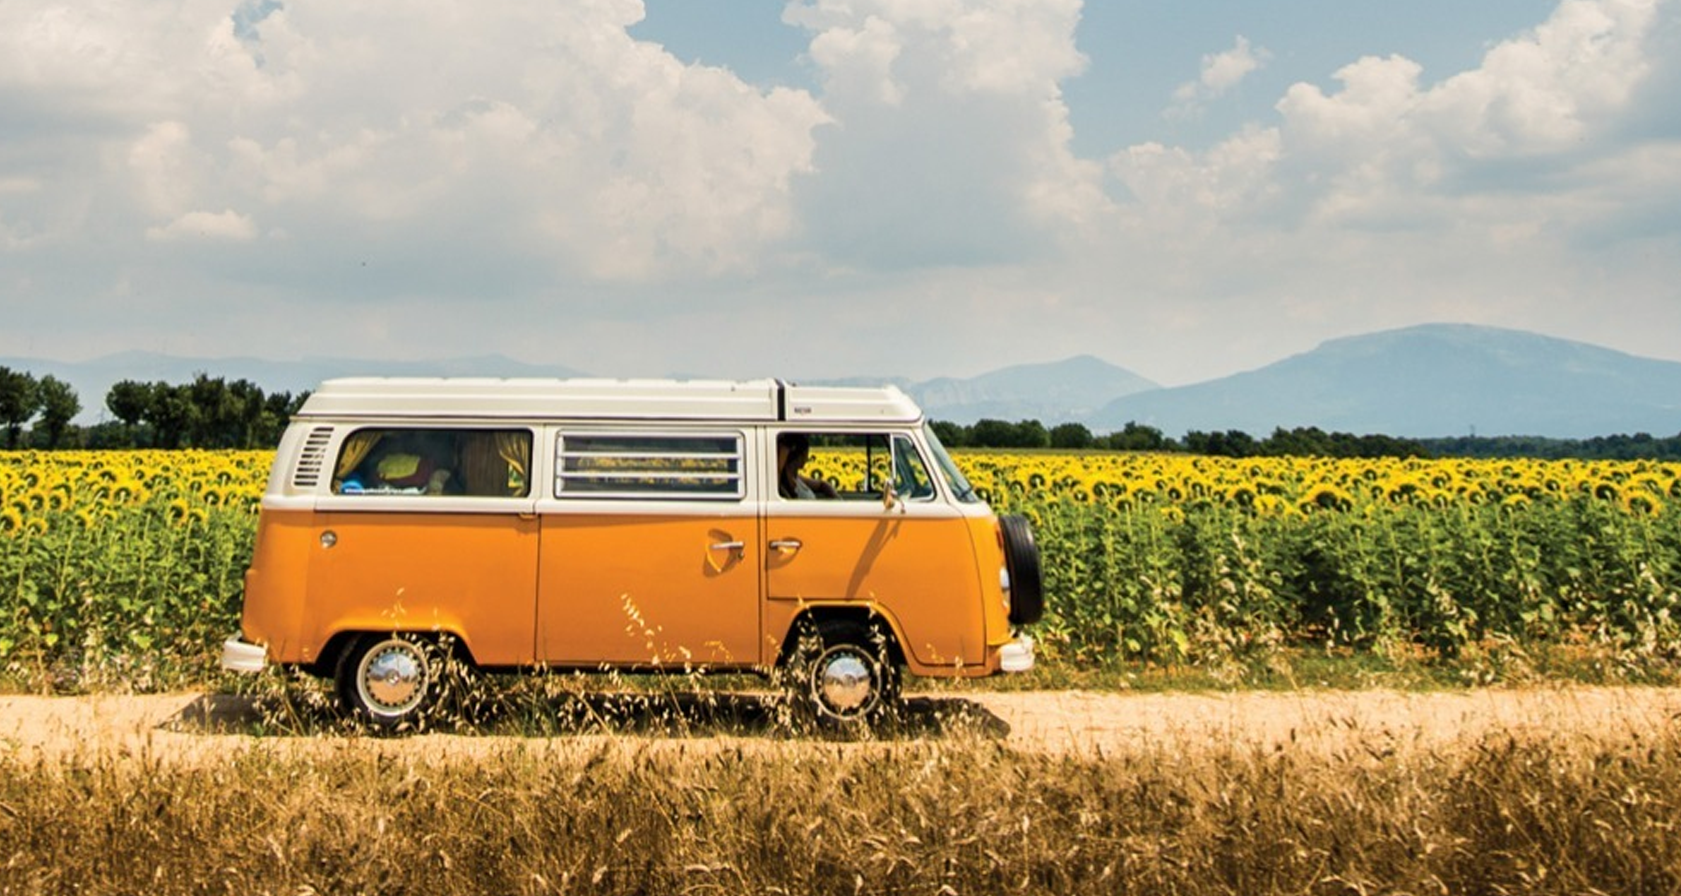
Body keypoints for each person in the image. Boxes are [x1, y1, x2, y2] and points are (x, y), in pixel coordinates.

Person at [777, 433, 837, 499]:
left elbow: (822, 485)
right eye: (806, 454)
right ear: (800, 456)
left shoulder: (797, 478)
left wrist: (837, 498)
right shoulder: (782, 484)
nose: (807, 459)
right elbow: (779, 469)